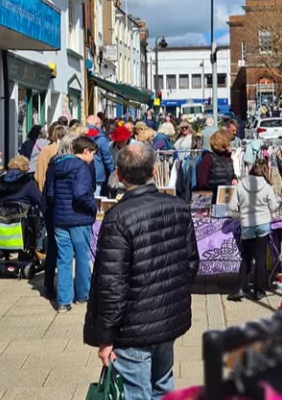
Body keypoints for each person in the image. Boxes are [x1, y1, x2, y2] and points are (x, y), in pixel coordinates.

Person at [83, 144, 199, 400]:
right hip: (166, 317)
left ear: (119, 175)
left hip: (133, 327)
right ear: (155, 170)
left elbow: (111, 285)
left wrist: (105, 337)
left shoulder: (118, 218)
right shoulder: (178, 207)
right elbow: (191, 264)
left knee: (138, 392)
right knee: (162, 385)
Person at [44, 135, 98, 312]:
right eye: (93, 155)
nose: (93, 159)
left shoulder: (57, 165)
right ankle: (83, 295)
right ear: (85, 151)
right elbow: (81, 193)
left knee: (64, 259)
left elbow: (50, 194)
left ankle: (63, 301)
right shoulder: (81, 167)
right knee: (82, 258)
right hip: (79, 219)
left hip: (60, 218)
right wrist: (93, 207)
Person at [226, 160, 279, 302]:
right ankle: (258, 291)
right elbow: (273, 207)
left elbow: (232, 207)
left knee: (246, 257)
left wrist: (242, 213)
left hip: (247, 224)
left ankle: (240, 288)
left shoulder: (241, 185)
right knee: (260, 258)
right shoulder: (267, 187)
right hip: (262, 223)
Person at [196, 129, 237, 198]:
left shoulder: (229, 159)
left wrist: (235, 179)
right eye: (228, 142)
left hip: (227, 199)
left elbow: (231, 174)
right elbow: (202, 183)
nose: (230, 144)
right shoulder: (208, 158)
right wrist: (217, 192)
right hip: (213, 201)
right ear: (222, 142)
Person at [86, 115, 116, 196]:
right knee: (96, 199)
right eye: (100, 125)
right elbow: (107, 157)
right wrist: (112, 170)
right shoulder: (101, 138)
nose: (101, 127)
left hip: (82, 171)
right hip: (97, 173)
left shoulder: (80, 135)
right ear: (96, 124)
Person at [36, 124, 67, 193]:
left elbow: (40, 173)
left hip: (49, 189)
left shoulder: (46, 150)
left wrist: (42, 190)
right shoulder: (70, 150)